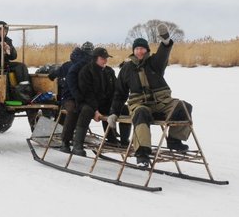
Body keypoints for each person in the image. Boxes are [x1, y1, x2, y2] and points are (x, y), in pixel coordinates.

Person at [108, 24, 192, 168]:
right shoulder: (126, 69)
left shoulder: (155, 63)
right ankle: (142, 154)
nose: (139, 51)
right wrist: (114, 113)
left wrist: (165, 40)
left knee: (183, 107)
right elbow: (119, 93)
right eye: (137, 49)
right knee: (141, 113)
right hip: (139, 104)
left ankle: (174, 140)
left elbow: (163, 53)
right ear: (133, 51)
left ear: (147, 50)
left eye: (142, 48)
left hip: (162, 102)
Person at [70, 47, 131, 156]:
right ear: (95, 58)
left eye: (106, 58)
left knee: (125, 109)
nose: (105, 61)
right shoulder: (86, 71)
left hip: (105, 103)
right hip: (87, 102)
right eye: (103, 58)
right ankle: (77, 145)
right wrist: (96, 110)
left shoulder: (109, 71)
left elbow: (115, 90)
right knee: (87, 111)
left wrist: (115, 106)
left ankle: (123, 141)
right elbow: (87, 94)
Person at [0, 21, 32, 103]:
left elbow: (14, 56)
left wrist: (10, 50)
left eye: (6, 31)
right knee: (2, 72)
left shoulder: (8, 40)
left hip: (5, 63)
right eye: (2, 30)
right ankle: (7, 97)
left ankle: (24, 93)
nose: (4, 33)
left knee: (21, 66)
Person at [58, 42, 94, 153]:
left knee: (86, 110)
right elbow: (58, 73)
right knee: (73, 110)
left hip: (83, 96)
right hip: (70, 97)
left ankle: (78, 141)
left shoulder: (92, 64)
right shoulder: (71, 65)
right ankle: (65, 141)